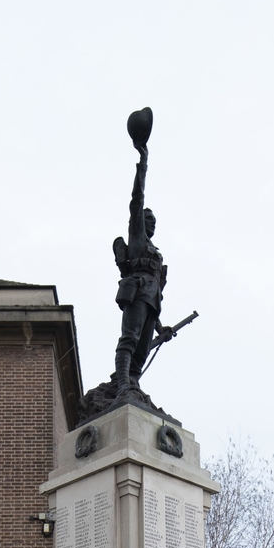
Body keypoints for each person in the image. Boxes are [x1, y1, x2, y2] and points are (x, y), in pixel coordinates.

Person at [113, 137, 169, 398]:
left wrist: (161, 329)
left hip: (151, 300)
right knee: (130, 339)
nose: (152, 223)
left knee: (143, 348)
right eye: (148, 219)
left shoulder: (157, 256)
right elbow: (137, 197)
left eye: (154, 220)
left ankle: (131, 384)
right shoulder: (137, 238)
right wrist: (142, 161)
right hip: (135, 291)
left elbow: (156, 294)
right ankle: (122, 383)